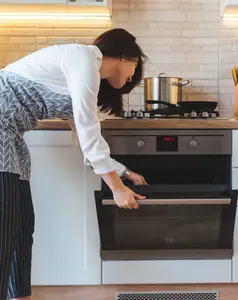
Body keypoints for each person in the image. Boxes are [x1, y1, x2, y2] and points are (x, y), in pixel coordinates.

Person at [0, 28, 148, 300]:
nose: (133, 75)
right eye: (136, 65)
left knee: (21, 229)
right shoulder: (82, 59)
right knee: (4, 231)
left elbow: (85, 141)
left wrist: (124, 173)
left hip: (11, 138)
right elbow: (90, 133)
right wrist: (116, 189)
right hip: (1, 130)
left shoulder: (83, 72)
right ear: (125, 56)